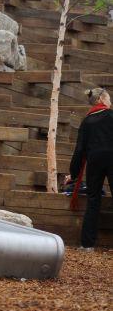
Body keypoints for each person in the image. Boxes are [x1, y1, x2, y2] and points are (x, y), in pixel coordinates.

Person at [66, 88, 113, 250]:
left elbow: (79, 150)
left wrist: (73, 173)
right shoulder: (111, 116)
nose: (110, 102)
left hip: (94, 162)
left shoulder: (86, 121)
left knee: (93, 200)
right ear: (101, 99)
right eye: (109, 99)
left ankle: (87, 244)